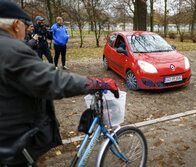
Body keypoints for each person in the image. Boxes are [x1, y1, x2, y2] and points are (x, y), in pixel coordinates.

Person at [0, 0, 118, 166]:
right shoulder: (10, 49)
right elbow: (52, 81)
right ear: (15, 24)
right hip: (13, 147)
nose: (28, 30)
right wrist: (95, 83)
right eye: (26, 25)